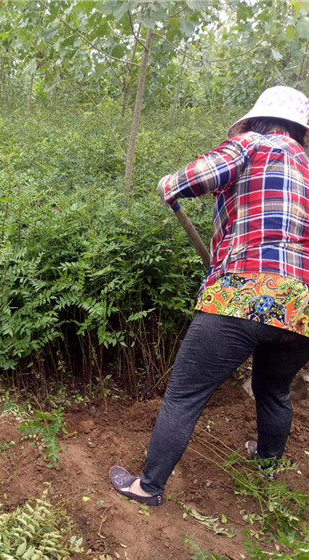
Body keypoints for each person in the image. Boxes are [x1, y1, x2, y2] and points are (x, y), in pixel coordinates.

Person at [109, 85, 309, 507]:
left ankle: (147, 487)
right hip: (302, 305)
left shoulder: (252, 143)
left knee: (185, 394)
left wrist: (169, 183)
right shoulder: (308, 167)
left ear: (258, 118)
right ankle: (269, 465)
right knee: (274, 391)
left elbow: (192, 180)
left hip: (244, 290)